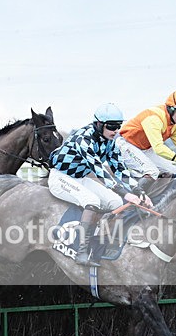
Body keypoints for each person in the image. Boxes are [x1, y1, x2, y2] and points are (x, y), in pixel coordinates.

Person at [48, 103, 153, 267]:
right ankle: (81, 252)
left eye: (118, 126)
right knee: (92, 201)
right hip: (60, 177)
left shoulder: (111, 141)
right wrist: (126, 194)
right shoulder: (84, 139)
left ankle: (101, 245)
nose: (116, 130)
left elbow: (120, 170)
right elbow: (100, 172)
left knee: (116, 203)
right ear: (98, 124)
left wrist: (139, 191)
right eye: (111, 126)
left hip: (80, 178)